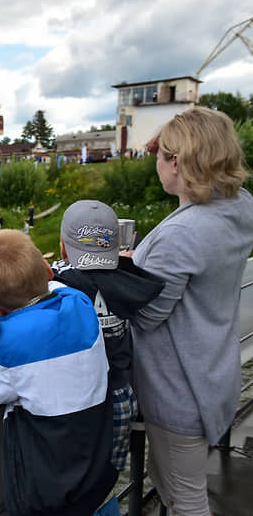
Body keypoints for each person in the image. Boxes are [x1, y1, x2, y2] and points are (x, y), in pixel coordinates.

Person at [129, 107, 253, 515]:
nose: (156, 162)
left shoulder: (182, 233)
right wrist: (145, 261)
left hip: (177, 390)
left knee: (184, 499)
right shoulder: (239, 208)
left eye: (162, 155)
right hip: (212, 373)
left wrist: (121, 271)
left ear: (178, 162)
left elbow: (147, 315)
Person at [0, 230, 117, 516]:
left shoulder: (11, 345)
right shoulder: (79, 304)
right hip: (99, 489)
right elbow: (53, 285)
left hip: (52, 500)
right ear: (48, 271)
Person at [51, 200, 164, 478]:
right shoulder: (129, 279)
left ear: (64, 247)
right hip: (121, 396)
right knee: (106, 478)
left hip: (78, 401)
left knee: (74, 480)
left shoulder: (61, 282)